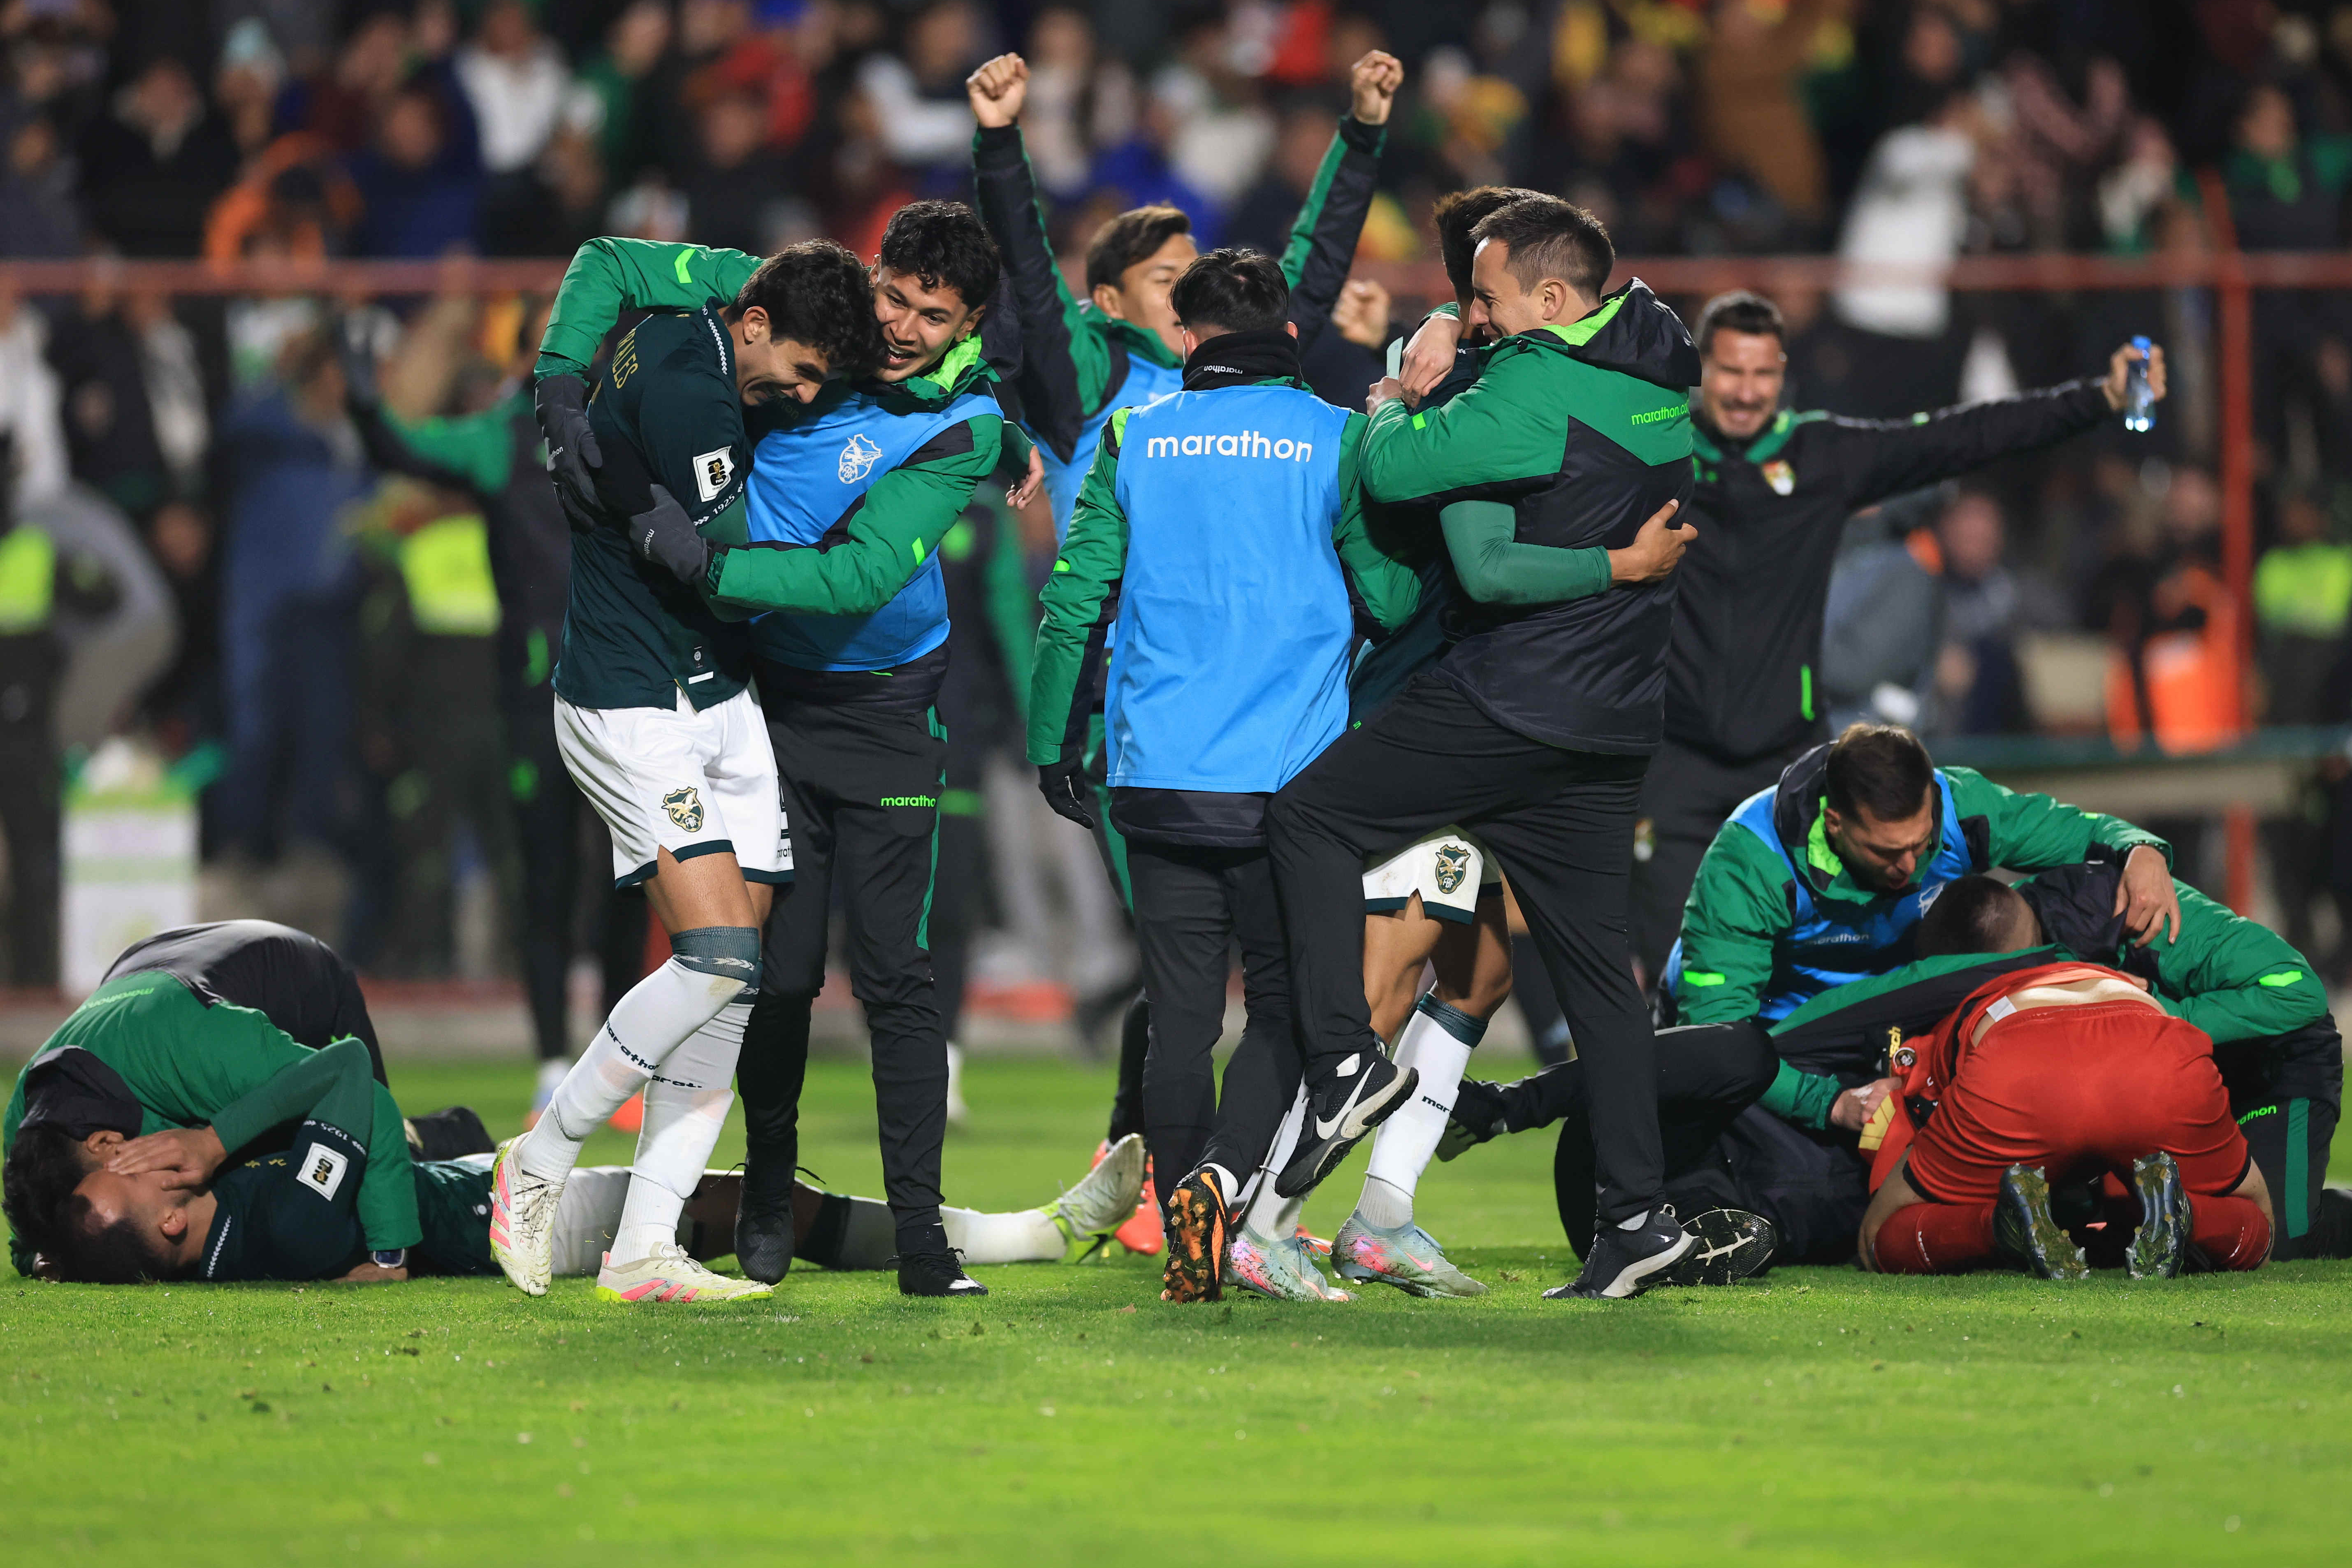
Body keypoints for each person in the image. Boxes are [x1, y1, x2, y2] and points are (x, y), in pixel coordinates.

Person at [527, 206, 1031, 1296]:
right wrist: (560, 380)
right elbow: (613, 262)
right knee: (779, 974)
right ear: (870, 274)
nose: (898, 327)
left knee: (895, 975)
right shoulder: (812, 309)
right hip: (769, 699)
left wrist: (707, 568)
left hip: (887, 712)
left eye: (932, 316)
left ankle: (922, 1238)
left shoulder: (964, 427)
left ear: (968, 326)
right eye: (894, 295)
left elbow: (859, 576)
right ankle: (764, 1193)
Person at [1420, 289, 2168, 981]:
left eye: (1762, 373)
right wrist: (1449, 328)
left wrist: (2099, 398)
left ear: (1782, 375)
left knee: (1814, 975)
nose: (1746, 390)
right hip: (1672, 765)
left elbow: (1965, 436)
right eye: (1729, 370)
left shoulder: (1820, 457)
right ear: (1700, 371)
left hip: (1789, 765)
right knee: (1680, 974)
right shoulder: (1653, 448)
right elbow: (1548, 381)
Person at [967, 47, 1400, 1230]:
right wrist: (1001, 147)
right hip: (1152, 719)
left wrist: (1358, 139)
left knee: (1178, 989)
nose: (1178, 293)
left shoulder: (1193, 409)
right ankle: (1180, 1185)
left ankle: (1153, 1183)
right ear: (1108, 303)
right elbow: (1025, 265)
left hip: (1163, 736)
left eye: (1187, 278)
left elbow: (1303, 277)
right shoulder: (1085, 386)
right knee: (1215, 990)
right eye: (1159, 278)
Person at [1264, 193, 1702, 1300]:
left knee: (1307, 817)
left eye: (1487, 299)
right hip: (1609, 726)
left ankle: (1338, 1070)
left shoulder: (1527, 388)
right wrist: (1452, 336)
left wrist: (1393, 396)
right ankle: (1634, 1218)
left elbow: (1402, 483)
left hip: (1506, 704)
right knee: (1598, 977)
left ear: (1549, 299)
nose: (1475, 317)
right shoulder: (1654, 370)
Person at [1027, 248, 1425, 1304]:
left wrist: (1050, 742)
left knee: (1179, 1018)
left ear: (1184, 338)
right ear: (1288, 335)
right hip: (1292, 787)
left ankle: (1180, 1229)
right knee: (1286, 1008)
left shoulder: (1133, 433)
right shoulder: (1338, 436)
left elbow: (1075, 599)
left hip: (1157, 774)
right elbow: (1390, 599)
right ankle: (1223, 1178)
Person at [494, 239, 877, 1308]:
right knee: (715, 954)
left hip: (718, 698)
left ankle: (644, 1247)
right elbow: (735, 570)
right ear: (753, 326)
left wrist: (569, 398)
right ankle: (539, 1156)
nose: (806, 397)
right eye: (801, 372)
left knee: (733, 976)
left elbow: (609, 264)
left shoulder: (700, 319)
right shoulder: (690, 393)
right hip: (633, 700)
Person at [338, 304, 643, 1109]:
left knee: (630, 882)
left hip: (630, 693)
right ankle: (552, 1063)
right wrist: (365, 397)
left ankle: (620, 1063)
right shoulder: (503, 438)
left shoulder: (636, 430)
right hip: (537, 693)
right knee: (546, 877)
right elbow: (402, 448)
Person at [8, 1092, 1150, 1284]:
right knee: (766, 1205)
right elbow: (346, 1076)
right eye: (128, 1174)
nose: (142, 1153)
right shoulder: (287, 1221)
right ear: (168, 1217)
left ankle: (1024, 1230)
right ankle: (1035, 1232)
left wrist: (54, 1247)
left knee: (757, 1197)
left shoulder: (215, 1230)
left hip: (494, 1187)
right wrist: (219, 1134)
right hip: (525, 1221)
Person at [3, 920, 419, 1278]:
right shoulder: (23, 1125)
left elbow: (366, 1092)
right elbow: (33, 1238)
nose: (87, 1222)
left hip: (297, 976)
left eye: (94, 1197)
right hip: (154, 967)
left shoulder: (188, 1049)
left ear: (106, 1143)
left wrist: (388, 1256)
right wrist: (45, 1258)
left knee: (382, 1164)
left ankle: (441, 1135)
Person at [1856, 946, 2274, 1279]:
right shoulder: (2113, 975)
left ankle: (1998, 1227)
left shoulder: (1965, 1004)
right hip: (2158, 1047)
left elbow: (1917, 1095)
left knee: (1875, 1235)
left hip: (2016, 1064)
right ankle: (2189, 1216)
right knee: (2262, 1222)